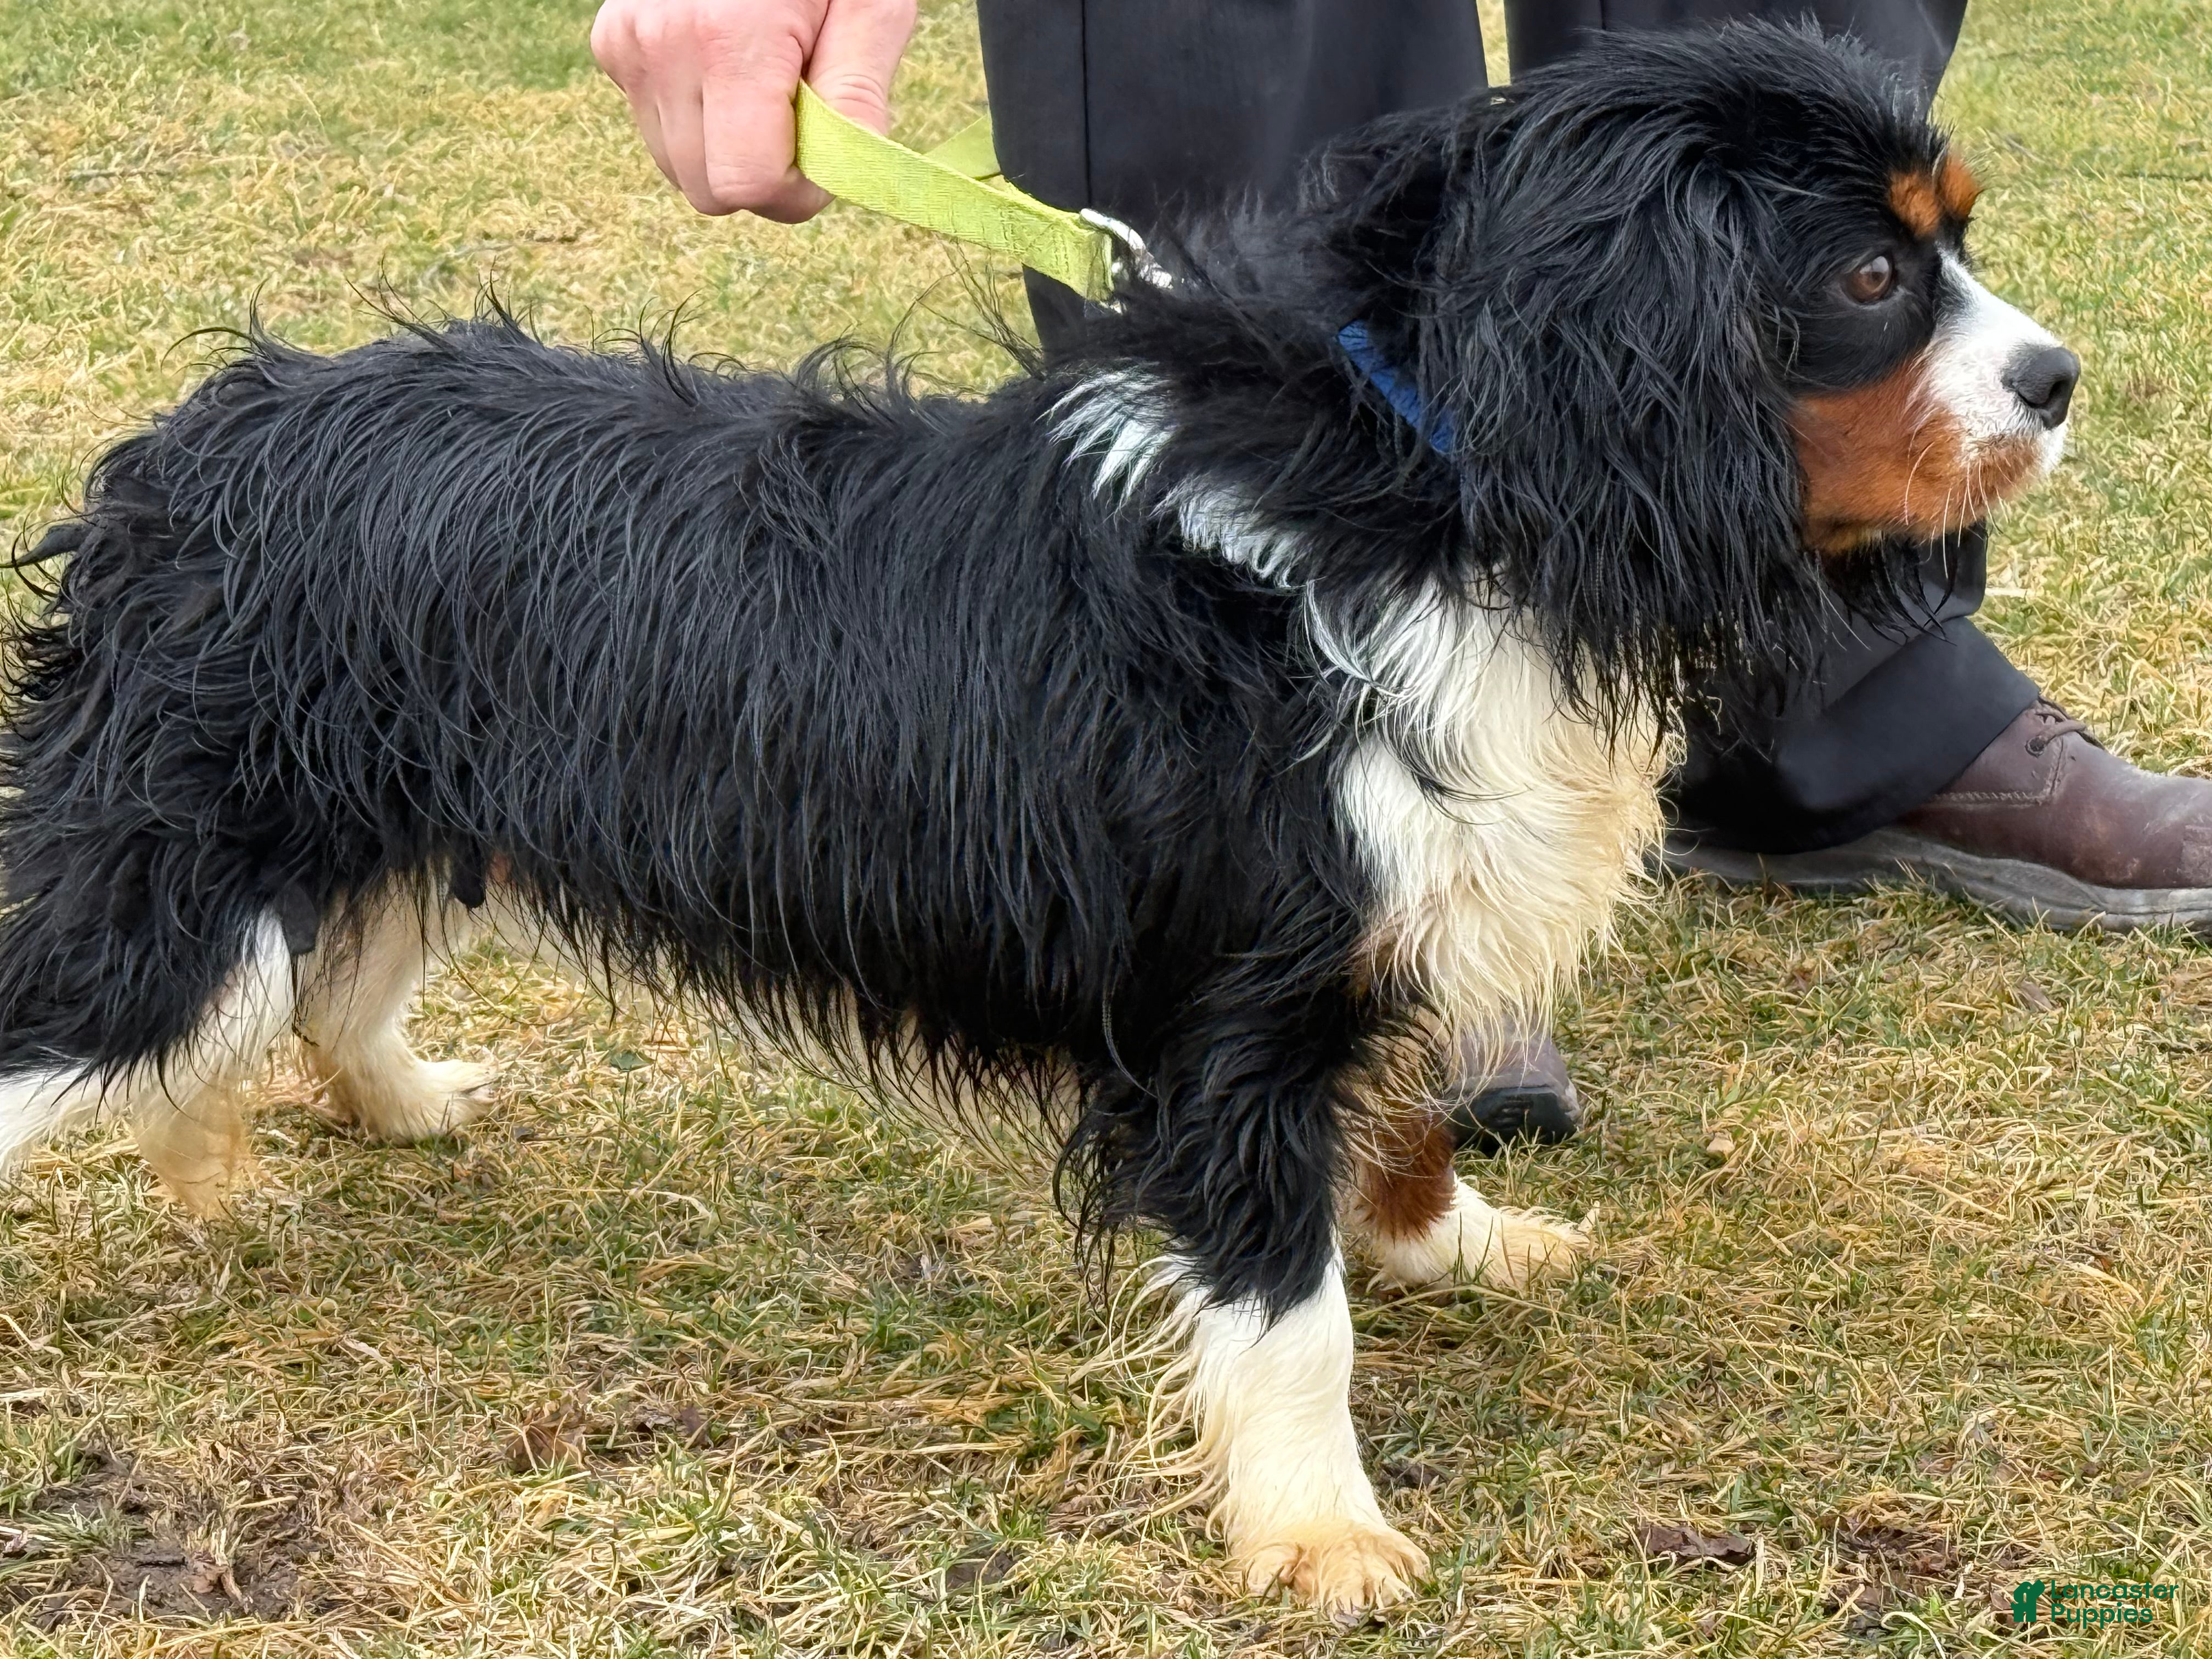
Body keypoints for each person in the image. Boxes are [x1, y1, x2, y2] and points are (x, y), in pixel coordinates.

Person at [590, 0, 2212, 1142]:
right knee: (1252, 102)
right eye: (1891, 269)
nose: (2022, 347)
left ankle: (1846, 691)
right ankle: (1316, 853)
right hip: (1277, 556)